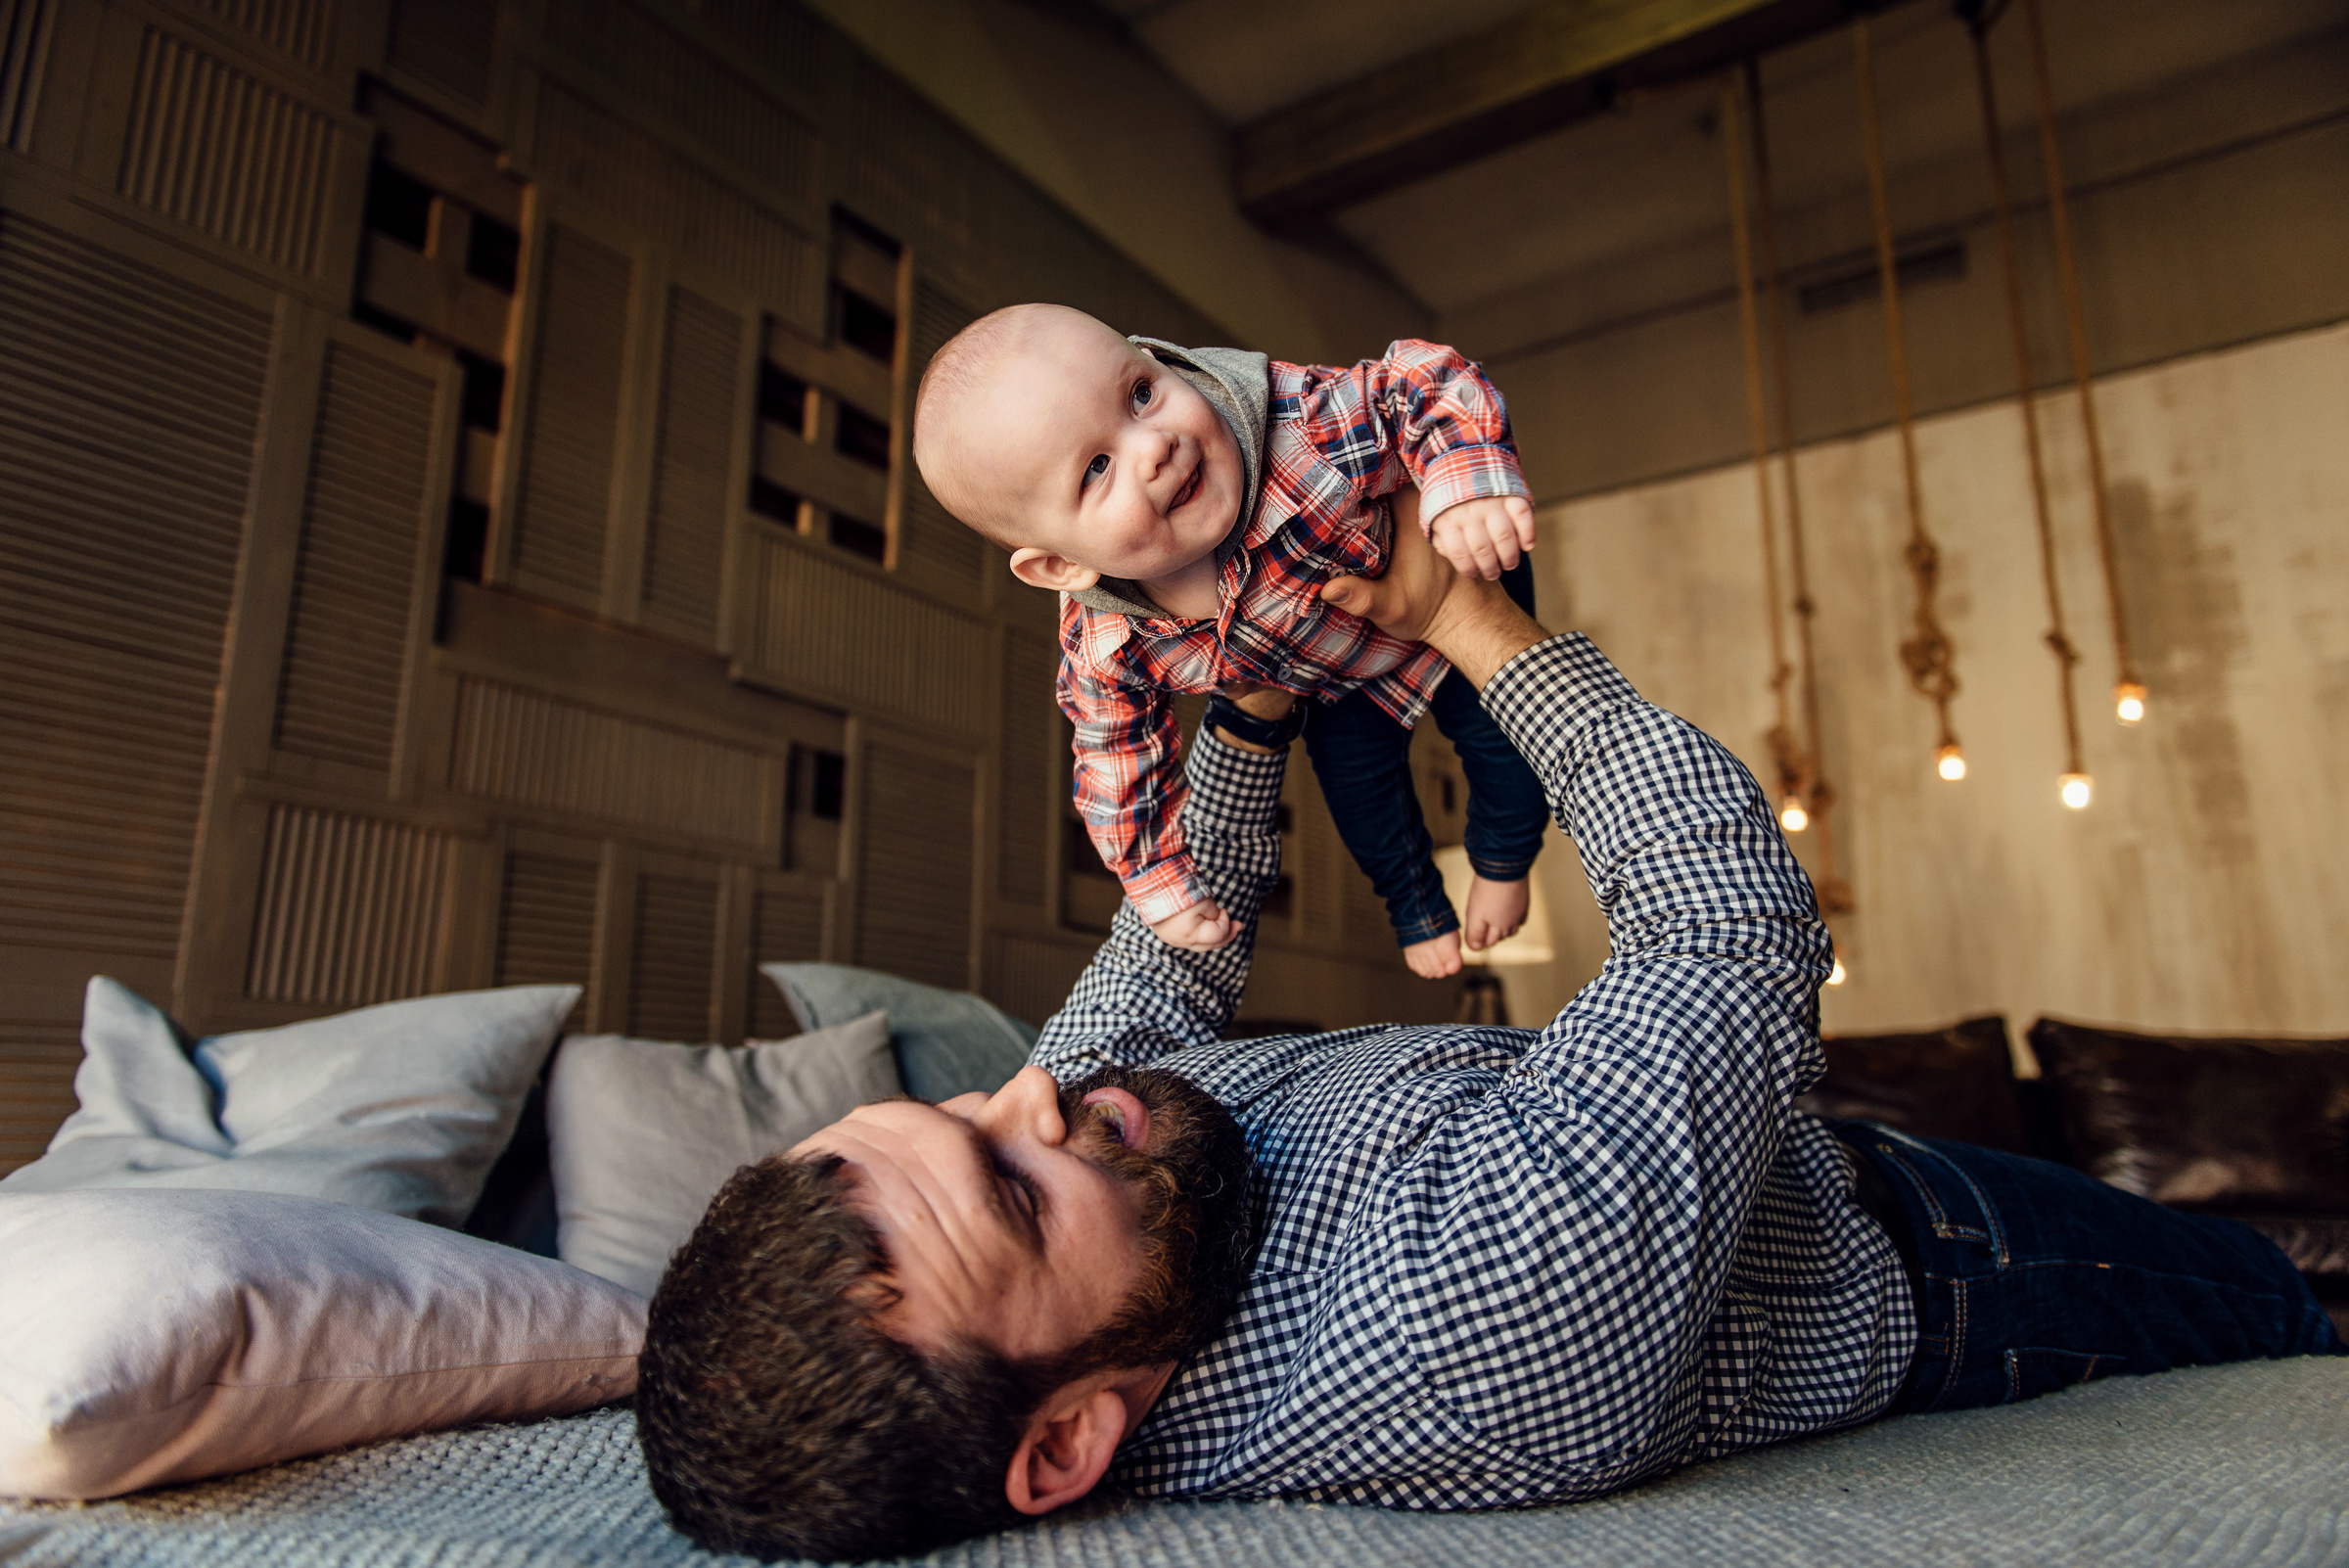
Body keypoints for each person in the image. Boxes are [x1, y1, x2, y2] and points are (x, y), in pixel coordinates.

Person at [634, 520, 2343, 1563]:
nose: (1035, 1088)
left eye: (956, 1107)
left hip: (1801, 1170)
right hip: (1961, 1255)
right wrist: (1469, 623)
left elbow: (1167, 948)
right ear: (1069, 1440)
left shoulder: (1101, 1180)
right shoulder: (1460, 1314)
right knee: (2279, 1307)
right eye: (1010, 1186)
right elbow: (1731, 921)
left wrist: (1251, 699)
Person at [911, 302, 1547, 979]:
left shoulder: (1301, 429)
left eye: (1141, 393)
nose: (1152, 446)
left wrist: (1464, 481)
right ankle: (1415, 906)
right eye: (1096, 468)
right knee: (1358, 791)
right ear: (1060, 567)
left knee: (1504, 734)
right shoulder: (1109, 642)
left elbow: (1419, 382)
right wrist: (1156, 880)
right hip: (1338, 679)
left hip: (1452, 577)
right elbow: (1113, 760)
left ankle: (1505, 861)